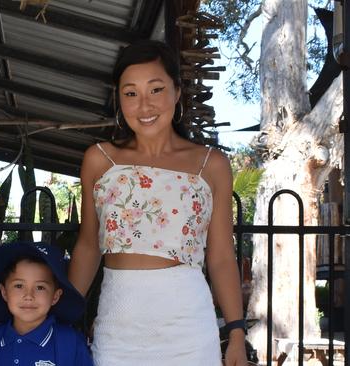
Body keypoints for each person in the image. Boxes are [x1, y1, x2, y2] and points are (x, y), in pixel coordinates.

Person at [68, 39, 247, 366]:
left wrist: (236, 332)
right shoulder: (100, 160)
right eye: (131, 93)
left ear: (177, 93)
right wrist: (62, 319)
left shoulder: (211, 165)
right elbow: (88, 246)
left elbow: (220, 256)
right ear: (118, 99)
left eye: (156, 90)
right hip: (116, 331)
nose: (144, 105)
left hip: (189, 332)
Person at [0, 242, 93, 366]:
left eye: (40, 287)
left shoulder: (70, 344)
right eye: (19, 286)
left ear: (55, 296)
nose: (29, 296)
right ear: (4, 292)